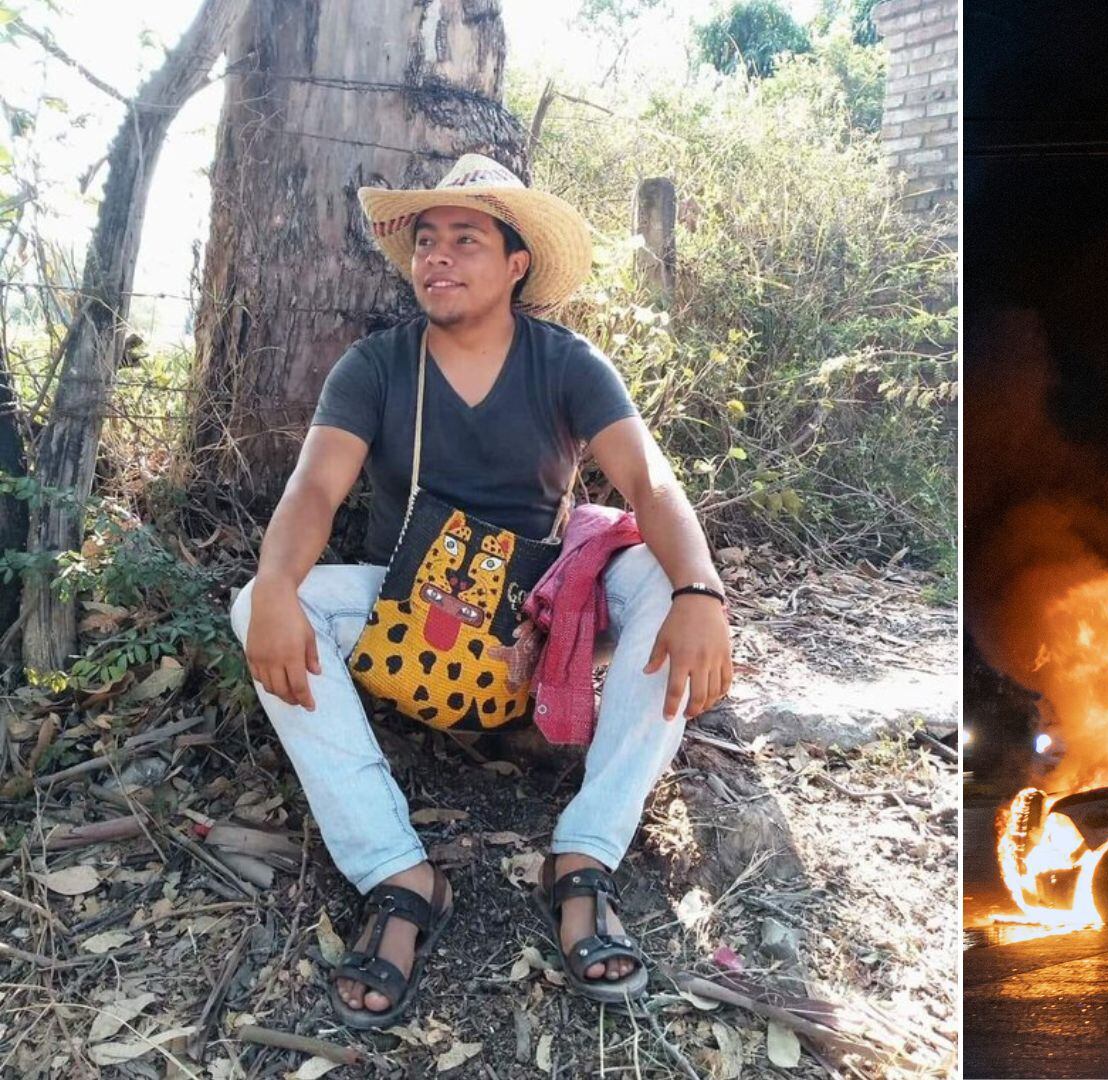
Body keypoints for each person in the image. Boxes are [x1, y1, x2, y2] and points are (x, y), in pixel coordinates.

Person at [229, 154, 732, 1026]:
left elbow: (649, 483)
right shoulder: (377, 367)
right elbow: (315, 488)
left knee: (662, 576)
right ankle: (399, 875)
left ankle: (582, 860)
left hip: (539, 621)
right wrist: (276, 583)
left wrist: (702, 590)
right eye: (427, 240)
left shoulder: (566, 364)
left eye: (467, 239)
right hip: (408, 615)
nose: (440, 256)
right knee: (259, 603)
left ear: (515, 264)